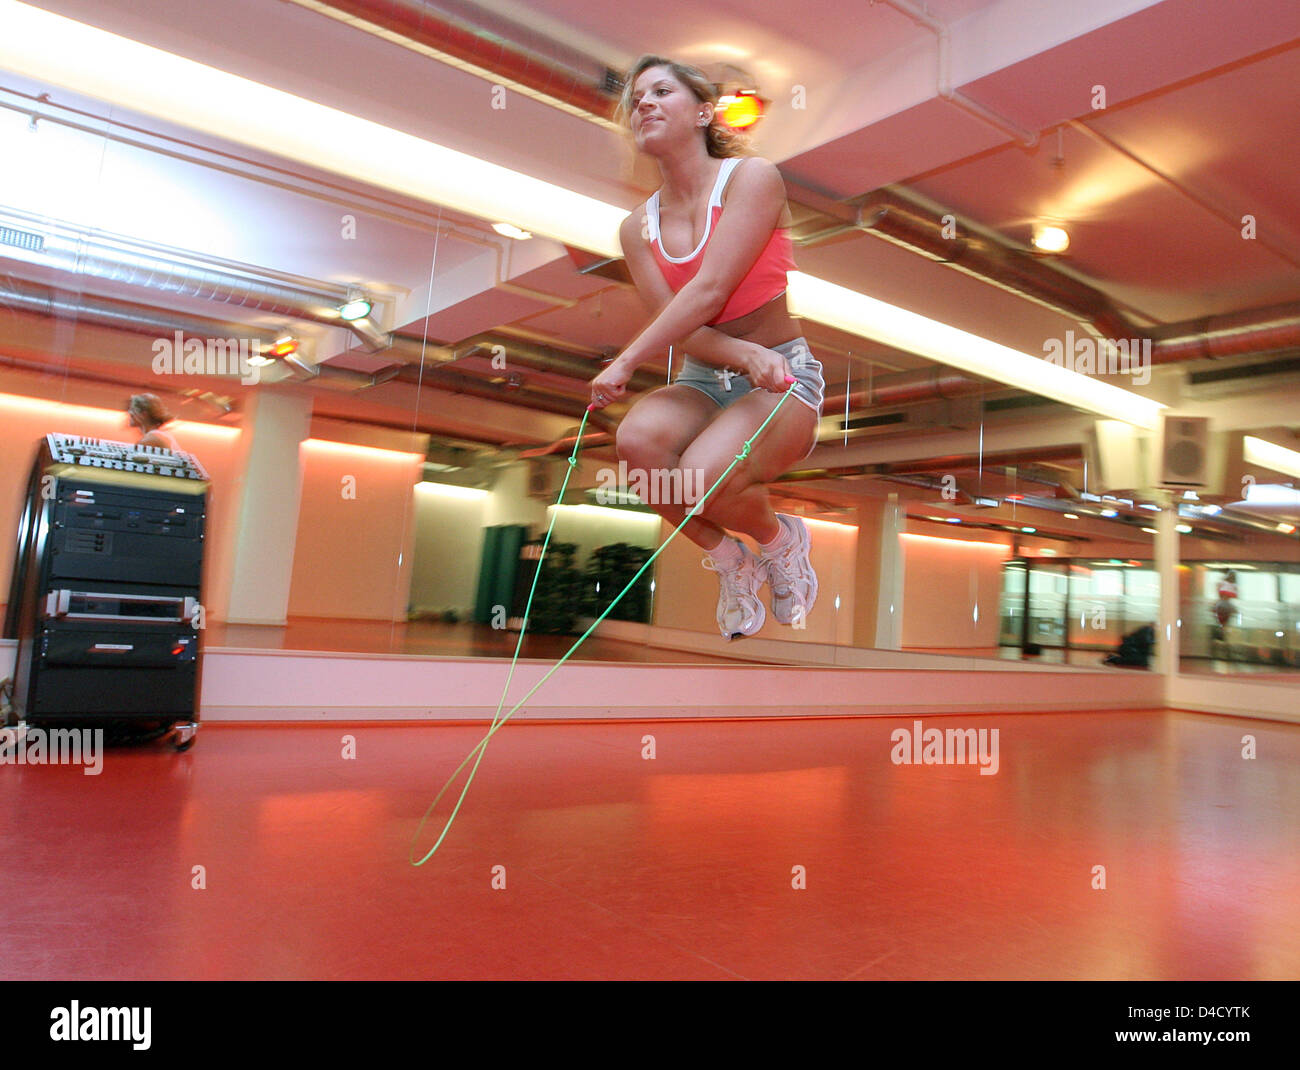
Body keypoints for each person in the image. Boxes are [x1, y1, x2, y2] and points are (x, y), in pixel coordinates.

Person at [589, 55, 826, 640]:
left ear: (702, 111)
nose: (642, 102)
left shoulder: (752, 178)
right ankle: (731, 561)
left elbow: (709, 289)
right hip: (706, 379)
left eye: (661, 90)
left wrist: (624, 362)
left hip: (784, 380)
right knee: (638, 444)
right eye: (636, 97)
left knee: (698, 475)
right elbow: (679, 323)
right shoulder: (635, 227)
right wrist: (742, 356)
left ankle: (781, 543)